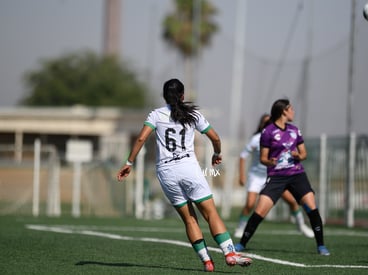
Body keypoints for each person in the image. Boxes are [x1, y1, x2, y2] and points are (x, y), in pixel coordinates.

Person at [117, 78, 252, 272]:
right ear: (182, 95)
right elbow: (215, 137)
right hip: (189, 169)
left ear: (164, 96)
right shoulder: (193, 114)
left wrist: (129, 162)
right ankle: (229, 253)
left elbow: (141, 138)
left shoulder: (156, 115)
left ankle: (207, 261)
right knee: (210, 213)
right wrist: (216, 153)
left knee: (189, 220)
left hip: (166, 172)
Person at [235, 99, 330, 256]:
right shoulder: (267, 132)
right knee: (259, 210)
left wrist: (298, 155)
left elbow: (304, 153)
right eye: (291, 108)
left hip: (297, 175)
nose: (293, 111)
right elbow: (263, 158)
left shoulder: (295, 130)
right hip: (276, 177)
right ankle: (242, 243)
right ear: (283, 111)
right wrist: (269, 161)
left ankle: (321, 245)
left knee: (311, 206)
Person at [234, 113, 314, 239]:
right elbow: (243, 156)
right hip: (256, 176)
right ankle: (240, 227)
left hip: (274, 176)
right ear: (262, 125)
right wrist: (241, 176)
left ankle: (301, 225)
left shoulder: (281, 137)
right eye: (267, 122)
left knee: (292, 201)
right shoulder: (256, 139)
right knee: (250, 204)